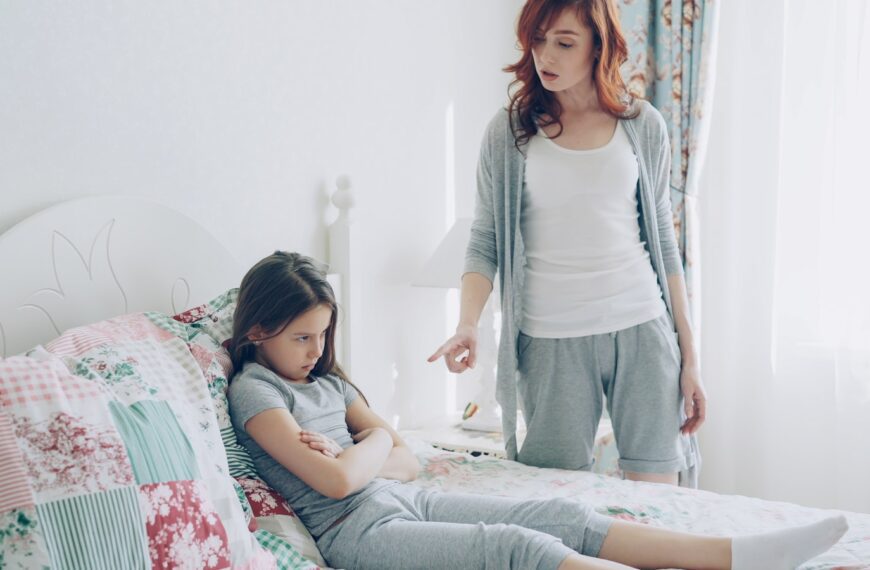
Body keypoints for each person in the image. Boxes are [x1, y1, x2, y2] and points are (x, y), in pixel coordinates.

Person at [227, 251, 847, 570]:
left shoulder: (330, 384)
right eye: (300, 338)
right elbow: (336, 484)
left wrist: (360, 452)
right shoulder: (257, 390)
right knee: (514, 545)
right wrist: (363, 453)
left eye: (321, 335)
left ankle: (730, 554)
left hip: (399, 498)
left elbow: (407, 462)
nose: (315, 352)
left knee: (556, 512)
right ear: (258, 330)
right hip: (358, 533)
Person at [429, 0, 702, 486]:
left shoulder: (643, 125)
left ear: (599, 46)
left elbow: (662, 238)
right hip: (550, 339)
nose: (545, 56)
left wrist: (690, 355)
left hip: (642, 327)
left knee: (657, 502)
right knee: (560, 501)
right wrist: (468, 323)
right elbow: (485, 238)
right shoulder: (510, 132)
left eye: (564, 42)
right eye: (538, 40)